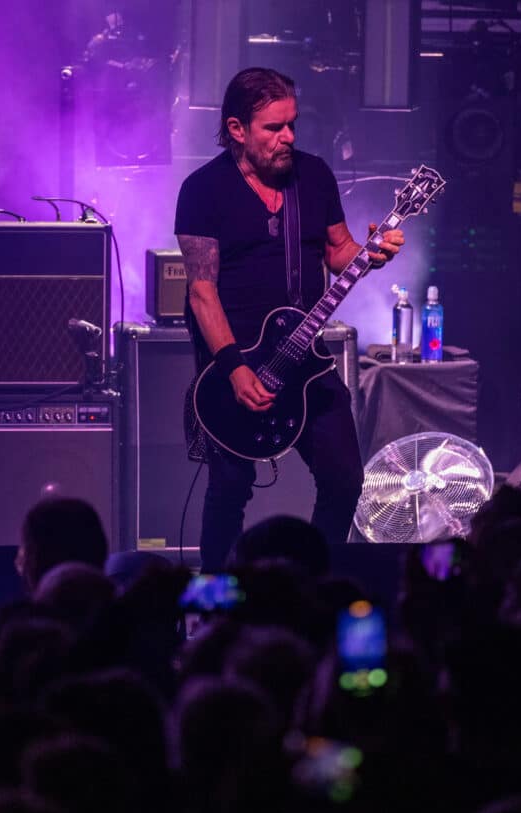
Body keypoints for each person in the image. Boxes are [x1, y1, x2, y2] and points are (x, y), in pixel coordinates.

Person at [175, 67, 404, 571]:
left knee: (345, 479)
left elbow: (340, 251)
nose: (288, 137)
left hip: (306, 358)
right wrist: (234, 368)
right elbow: (202, 292)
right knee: (230, 488)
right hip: (236, 361)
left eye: (292, 124)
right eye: (274, 128)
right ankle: (217, 599)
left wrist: (373, 253)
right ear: (237, 129)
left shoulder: (313, 175)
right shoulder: (203, 190)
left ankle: (309, 582)